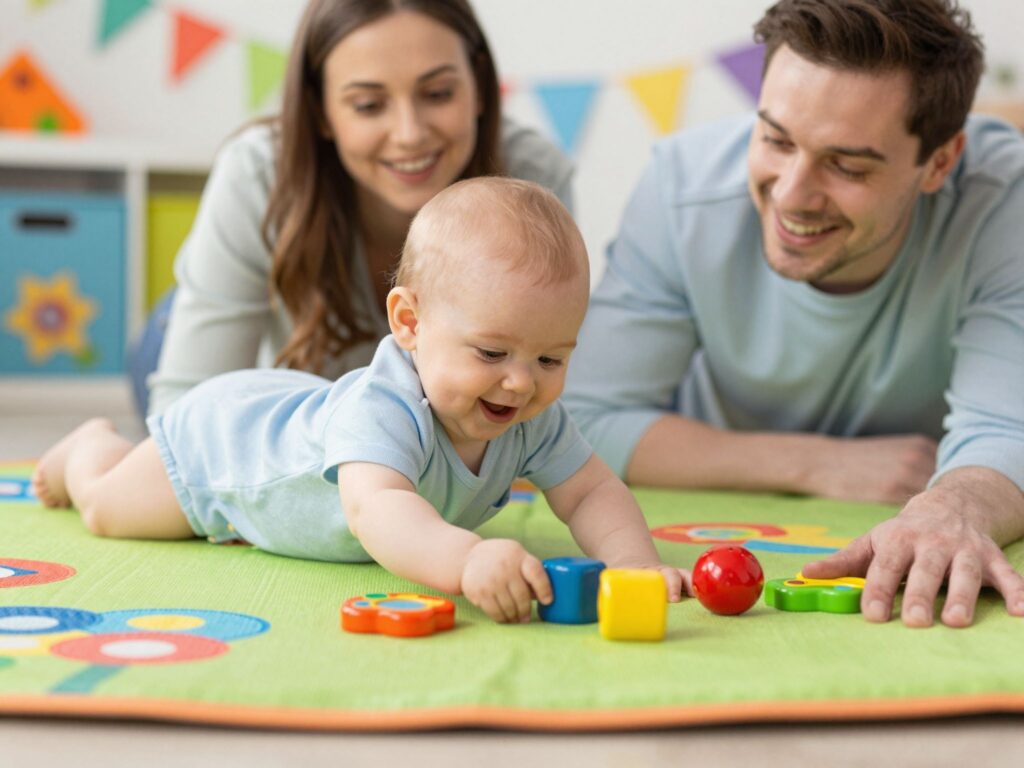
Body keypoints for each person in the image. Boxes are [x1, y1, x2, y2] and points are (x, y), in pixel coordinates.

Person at [34, 178, 688, 624]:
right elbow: (377, 508)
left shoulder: (530, 415)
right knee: (107, 511)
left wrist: (634, 565)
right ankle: (90, 448)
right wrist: (465, 560)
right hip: (225, 449)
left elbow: (592, 492)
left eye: (551, 359)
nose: (521, 383)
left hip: (303, 406)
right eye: (491, 354)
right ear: (408, 323)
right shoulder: (386, 407)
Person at [563, 0, 1024, 628]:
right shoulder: (681, 187)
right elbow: (587, 418)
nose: (791, 194)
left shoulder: (1004, 202)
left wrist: (952, 507)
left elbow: (1009, 428)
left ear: (939, 162)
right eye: (775, 139)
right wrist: (815, 462)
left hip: (918, 499)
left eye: (847, 165)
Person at [133, 0, 573, 418]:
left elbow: (544, 398)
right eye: (368, 105)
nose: (409, 134)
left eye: (438, 93)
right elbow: (186, 416)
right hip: (208, 337)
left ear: (478, 86)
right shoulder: (258, 172)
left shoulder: (532, 180)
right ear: (321, 110)